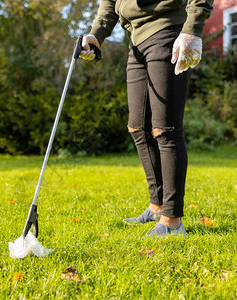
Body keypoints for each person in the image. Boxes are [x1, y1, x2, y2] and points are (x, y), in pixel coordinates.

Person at [80, 0, 213, 237]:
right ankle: (157, 206)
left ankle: (172, 220)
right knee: (138, 128)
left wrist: (192, 28)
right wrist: (96, 34)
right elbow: (110, 4)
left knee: (166, 129)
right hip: (137, 43)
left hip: (167, 31)